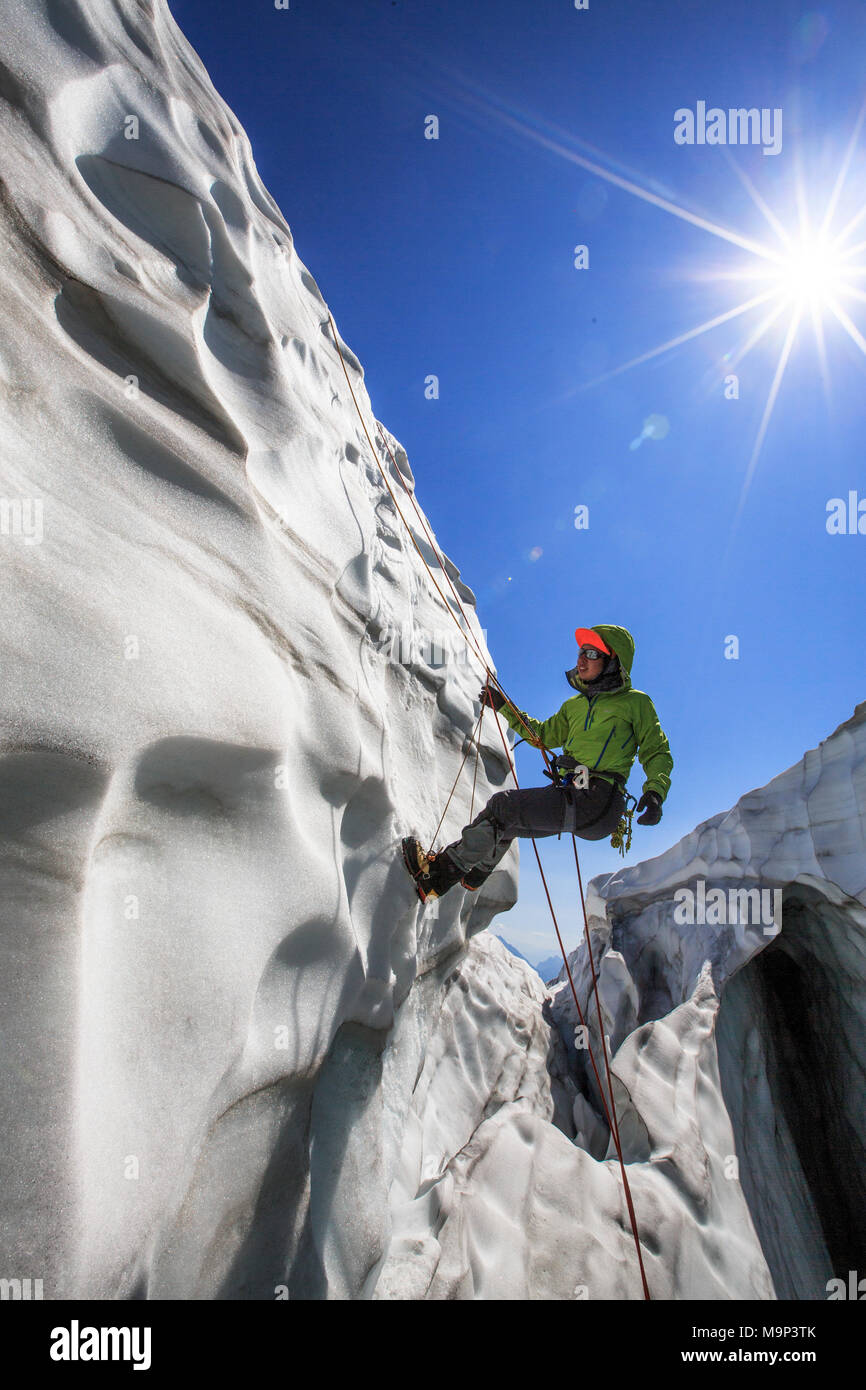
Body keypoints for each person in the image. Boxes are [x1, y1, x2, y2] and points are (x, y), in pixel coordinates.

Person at [402, 624, 673, 902]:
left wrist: (655, 792)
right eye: (581, 651)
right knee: (506, 819)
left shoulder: (635, 703)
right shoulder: (573, 706)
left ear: (613, 661)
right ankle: (475, 875)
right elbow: (543, 735)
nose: (581, 659)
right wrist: (505, 707)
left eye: (592, 653)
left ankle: (435, 876)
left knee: (503, 807)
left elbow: (656, 750)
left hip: (599, 801)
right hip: (572, 794)